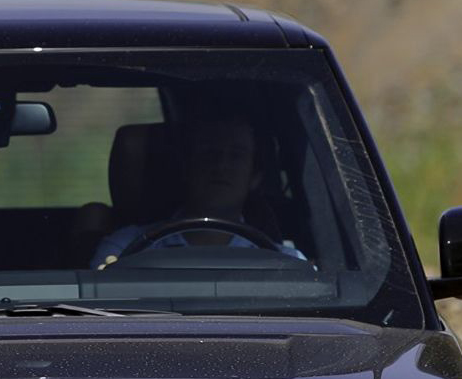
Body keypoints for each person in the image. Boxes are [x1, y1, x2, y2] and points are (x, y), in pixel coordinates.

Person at [90, 114, 308, 268]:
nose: (221, 166)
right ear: (186, 167)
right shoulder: (123, 249)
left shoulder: (285, 263)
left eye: (236, 156)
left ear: (255, 176)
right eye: (210, 153)